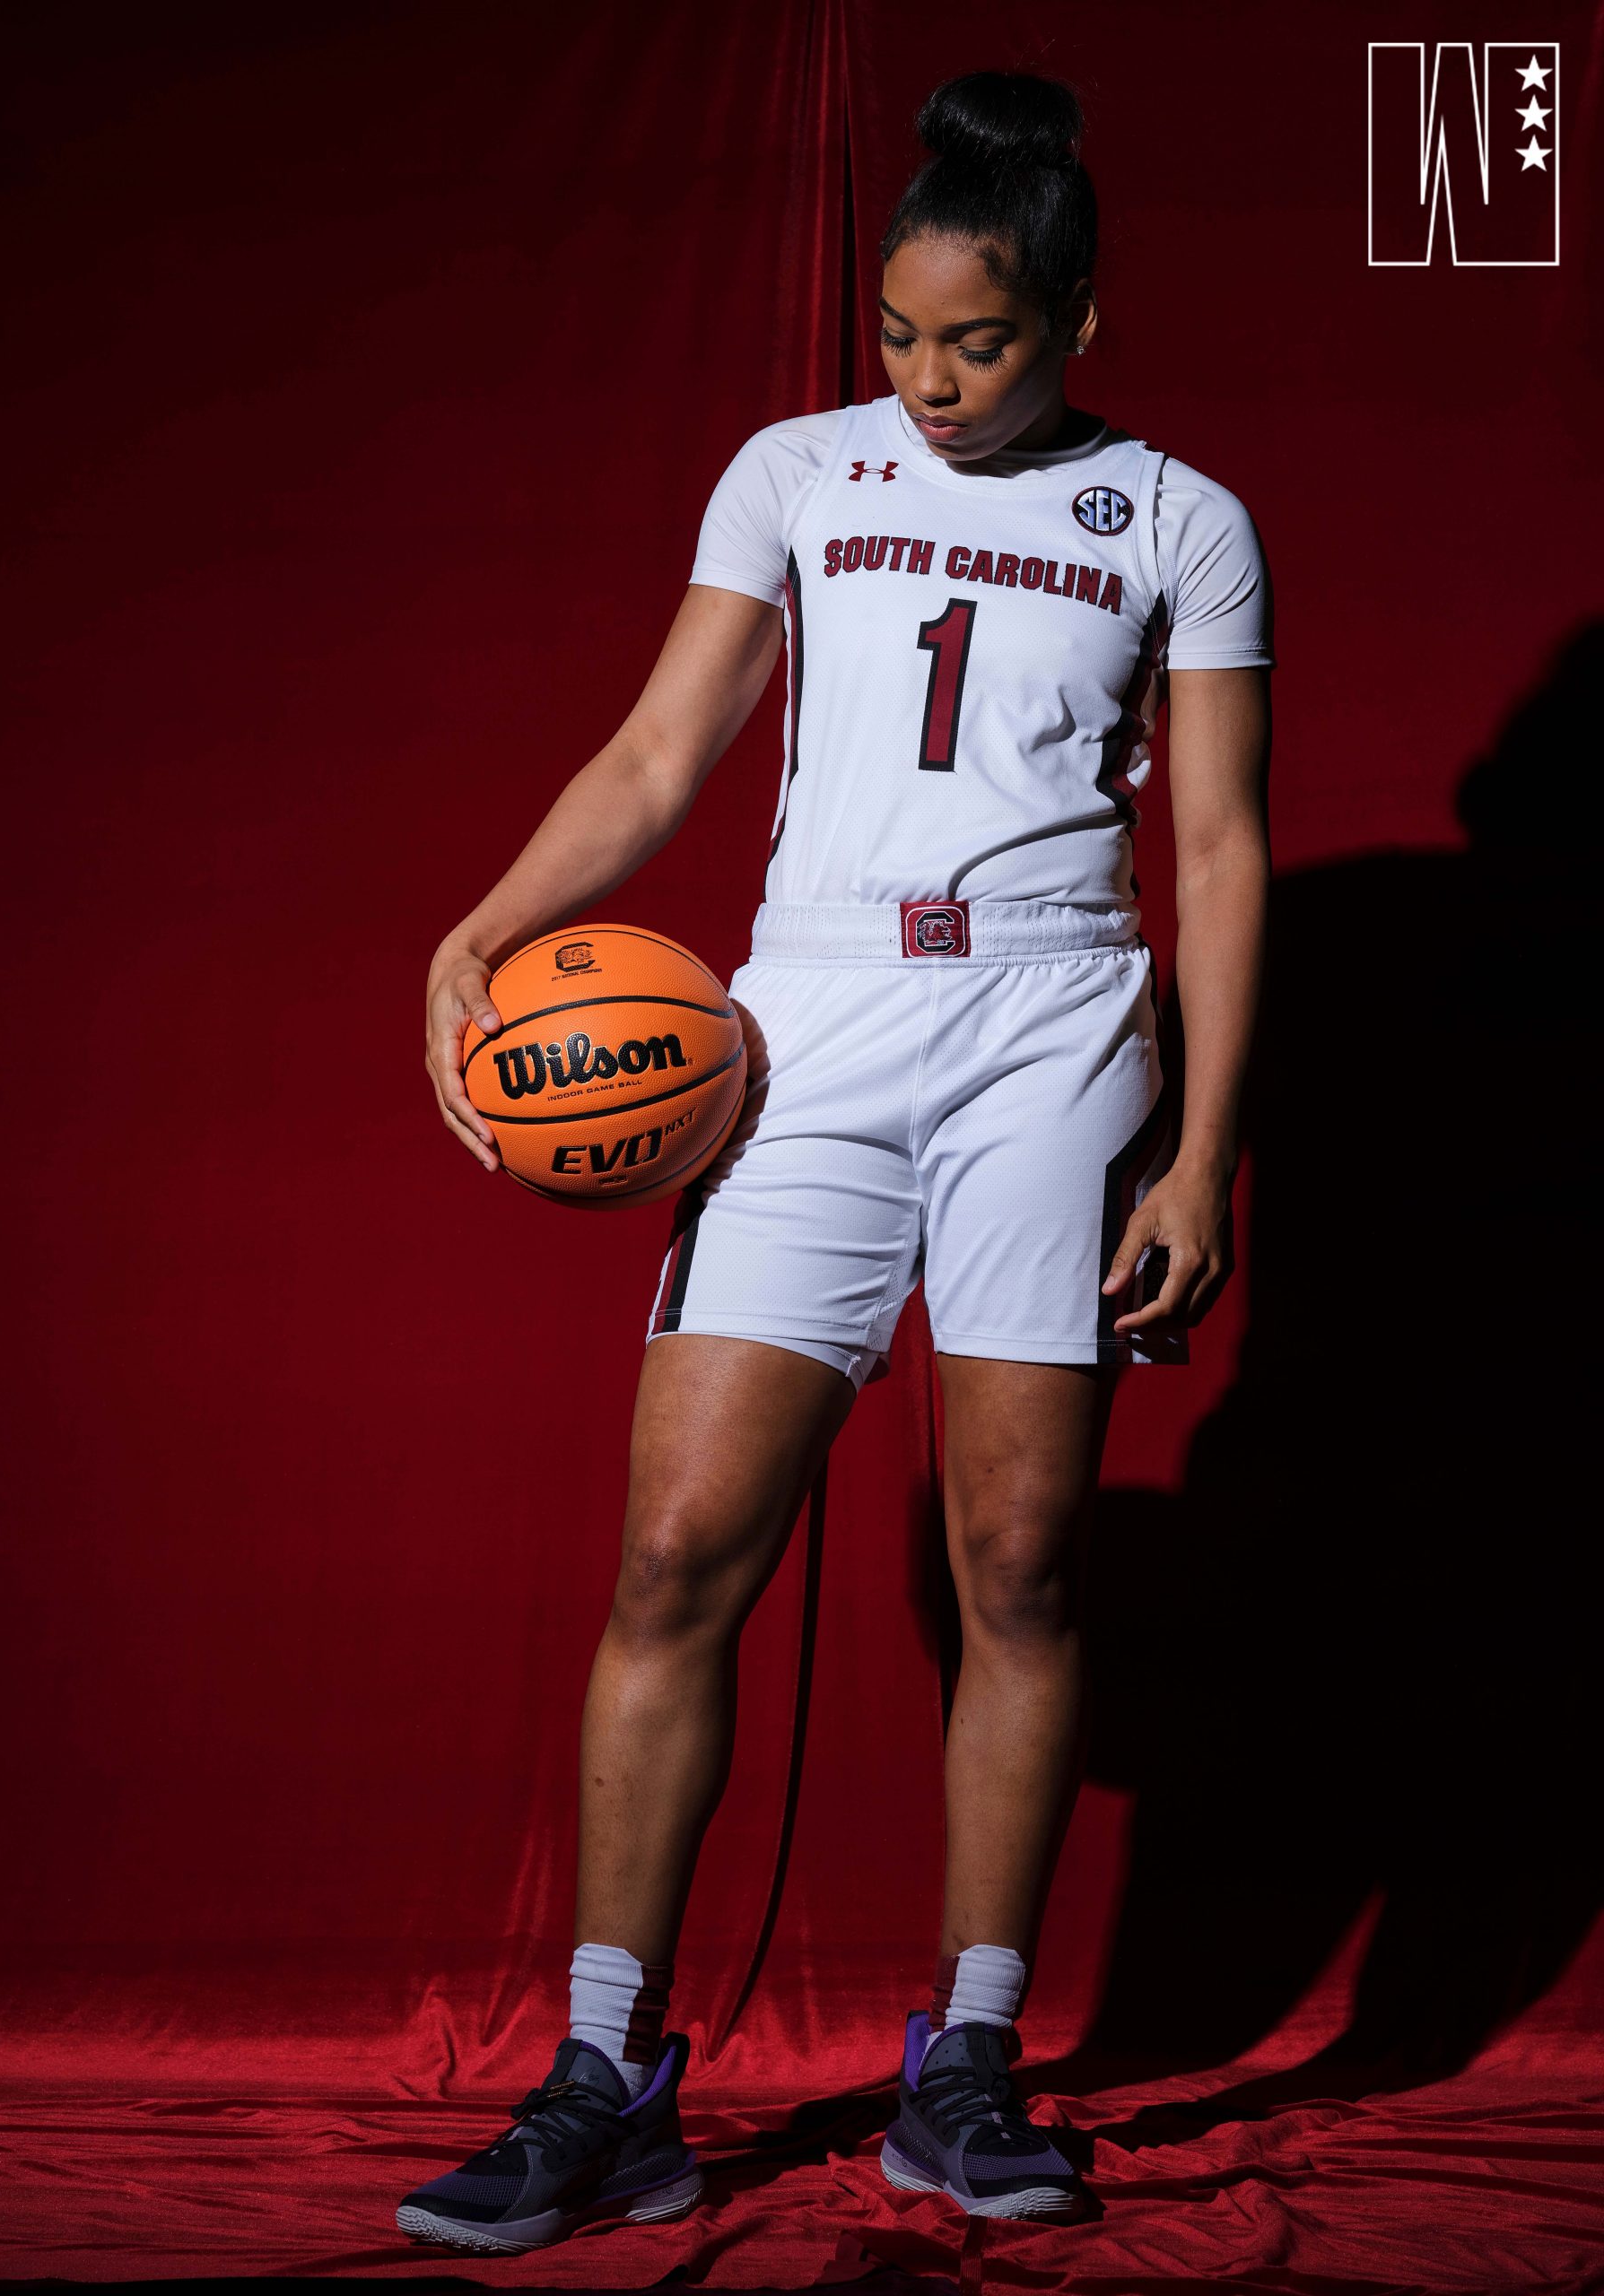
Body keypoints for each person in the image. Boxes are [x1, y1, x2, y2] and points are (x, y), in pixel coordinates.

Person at [401, 66, 1273, 2252]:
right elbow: (661, 744)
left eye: (976, 339)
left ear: (1076, 313)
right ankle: (609, 2070)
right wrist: (489, 921)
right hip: (810, 1020)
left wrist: (1200, 1154)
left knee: (1022, 1564)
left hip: (1056, 1024)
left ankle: (961, 2064)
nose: (930, 378)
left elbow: (1226, 850)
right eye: (901, 334)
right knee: (681, 1545)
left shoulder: (1179, 515)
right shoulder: (797, 471)